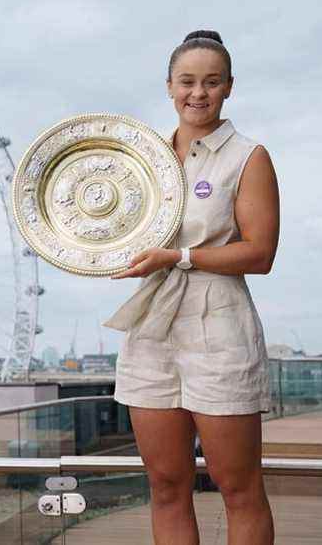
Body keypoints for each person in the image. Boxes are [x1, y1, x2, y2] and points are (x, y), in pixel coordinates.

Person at [104, 30, 280, 544]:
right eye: (187, 82)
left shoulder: (249, 156)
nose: (197, 93)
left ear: (228, 87)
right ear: (168, 87)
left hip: (219, 327)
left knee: (239, 487)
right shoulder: (140, 158)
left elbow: (260, 253)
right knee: (164, 485)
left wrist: (179, 256)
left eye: (211, 82)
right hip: (150, 331)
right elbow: (117, 228)